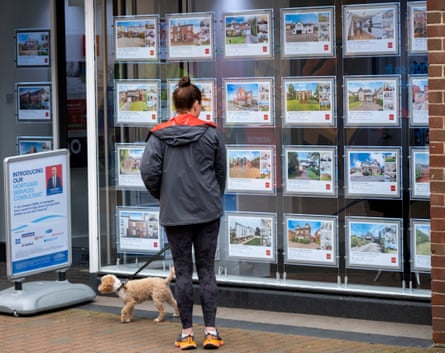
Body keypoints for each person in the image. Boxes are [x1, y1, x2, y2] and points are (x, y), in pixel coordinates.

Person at [140, 76, 226, 350]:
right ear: (196, 105)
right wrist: (212, 196)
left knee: (184, 273)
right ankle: (211, 332)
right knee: (207, 271)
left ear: (176, 104)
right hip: (207, 212)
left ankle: (186, 334)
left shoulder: (158, 135)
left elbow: (148, 171)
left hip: (175, 214)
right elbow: (221, 172)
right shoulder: (211, 133)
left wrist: (163, 196)